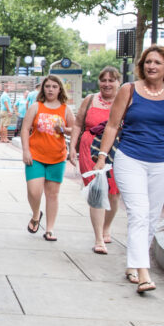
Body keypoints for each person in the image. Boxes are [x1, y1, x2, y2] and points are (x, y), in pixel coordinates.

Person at [94, 46, 164, 295]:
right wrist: (101, 156)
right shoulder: (128, 90)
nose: (152, 66)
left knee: (151, 218)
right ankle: (143, 272)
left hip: (162, 162)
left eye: (158, 62)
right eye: (148, 62)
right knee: (139, 214)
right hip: (130, 159)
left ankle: (133, 264)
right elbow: (112, 126)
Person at [68, 66, 122, 254]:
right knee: (96, 190)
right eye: (103, 80)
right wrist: (71, 147)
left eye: (111, 80)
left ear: (118, 82)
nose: (107, 84)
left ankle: (106, 227)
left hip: (116, 149)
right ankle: (99, 238)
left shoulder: (125, 101)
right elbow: (77, 124)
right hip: (89, 148)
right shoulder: (90, 100)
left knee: (114, 193)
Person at [20, 75, 74, 243]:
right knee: (34, 191)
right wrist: (25, 150)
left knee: (52, 195)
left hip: (57, 157)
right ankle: (36, 214)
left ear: (60, 89)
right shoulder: (36, 106)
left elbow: (74, 129)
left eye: (54, 86)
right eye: (47, 86)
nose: (50, 89)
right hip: (35, 156)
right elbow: (25, 129)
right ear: (43, 88)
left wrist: (64, 129)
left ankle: (49, 229)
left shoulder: (66, 109)